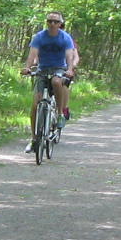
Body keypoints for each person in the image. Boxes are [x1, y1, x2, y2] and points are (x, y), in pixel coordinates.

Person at [21, 12, 78, 152]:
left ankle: (59, 114)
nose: (52, 24)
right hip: (42, 69)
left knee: (57, 82)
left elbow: (70, 56)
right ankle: (34, 139)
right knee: (35, 105)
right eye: (49, 21)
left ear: (60, 24)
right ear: (47, 23)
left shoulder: (65, 37)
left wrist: (70, 69)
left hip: (59, 68)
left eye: (55, 22)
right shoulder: (39, 37)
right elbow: (32, 54)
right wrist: (27, 68)